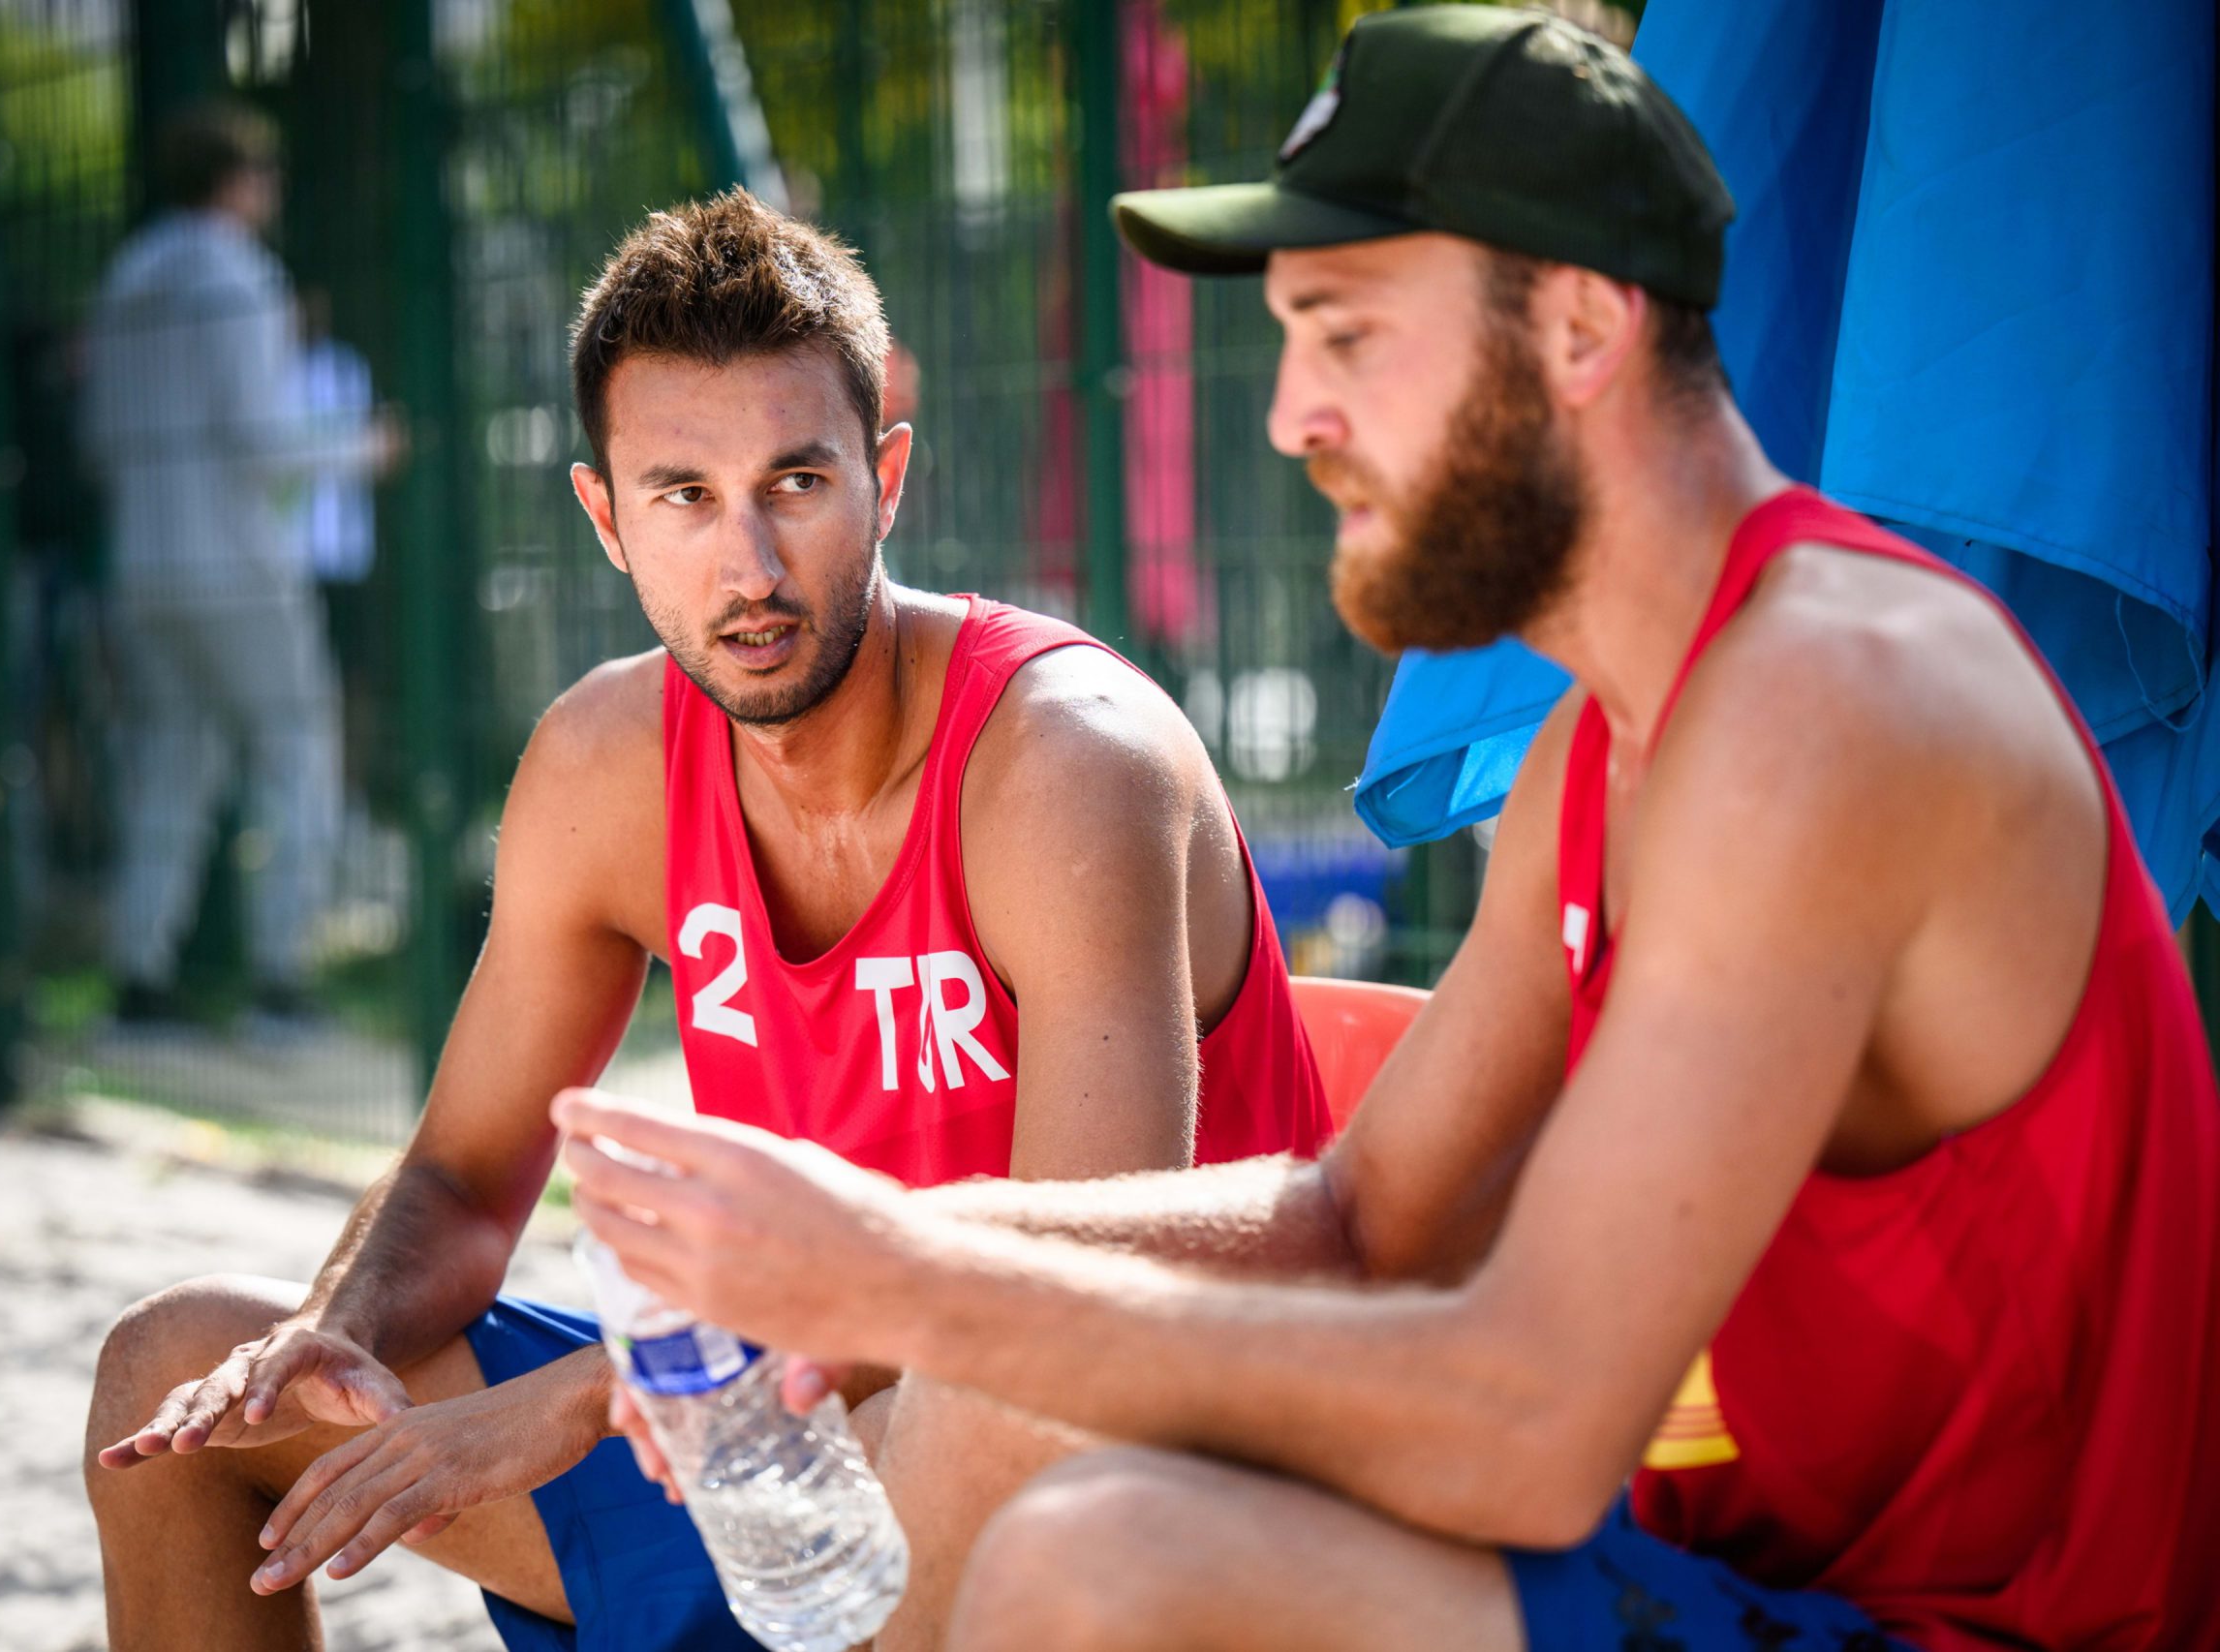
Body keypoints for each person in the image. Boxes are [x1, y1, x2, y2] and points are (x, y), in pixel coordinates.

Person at [553, 11, 2220, 1652]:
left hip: (1955, 1628)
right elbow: (1361, 1221)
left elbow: (1532, 1419)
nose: (1289, 416)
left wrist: (911, 1286)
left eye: (1346, 333)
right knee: (1013, 1408)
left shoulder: (1823, 713)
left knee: (1109, 1555)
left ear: (1574, 327)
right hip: (1745, 1579)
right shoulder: (1610, 742)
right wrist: (868, 1253)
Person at [82, 190, 1334, 1652]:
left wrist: (593, 1393)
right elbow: (468, 1178)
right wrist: (337, 1324)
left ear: (889, 477)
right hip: (782, 1433)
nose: (747, 565)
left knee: (950, 1420)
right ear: (605, 519)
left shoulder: (1066, 759)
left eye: (797, 482)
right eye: (683, 495)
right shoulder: (605, 764)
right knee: (174, 1374)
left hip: (1124, 1475)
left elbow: (1071, 1288)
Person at [80, 102, 400, 1025]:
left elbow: (99, 435)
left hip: (144, 563)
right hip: (237, 563)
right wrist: (361, 448)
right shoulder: (240, 274)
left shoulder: (128, 274)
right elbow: (262, 442)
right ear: (240, 181)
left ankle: (140, 977)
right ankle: (280, 978)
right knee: (298, 752)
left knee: (171, 767)